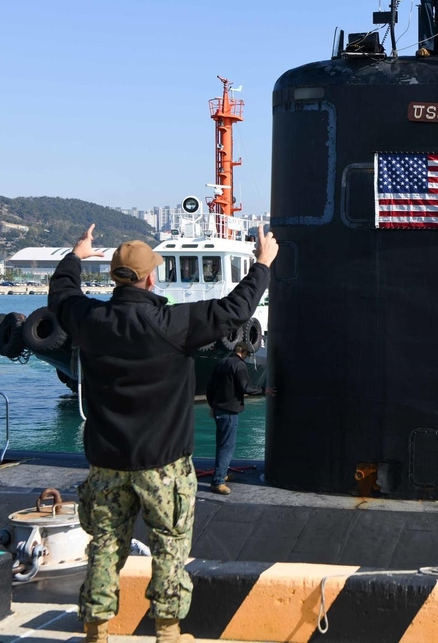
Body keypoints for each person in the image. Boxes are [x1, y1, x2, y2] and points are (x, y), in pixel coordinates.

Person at [48, 224, 277, 643]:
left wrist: (75, 256)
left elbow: (62, 296)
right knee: (169, 545)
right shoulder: (174, 324)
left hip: (107, 463)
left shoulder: (91, 321)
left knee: (104, 545)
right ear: (151, 277)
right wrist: (262, 263)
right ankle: (168, 632)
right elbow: (235, 309)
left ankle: (95, 629)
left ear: (115, 277)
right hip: (164, 465)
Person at [205, 341, 275, 495]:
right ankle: (218, 482)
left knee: (221, 444)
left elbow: (209, 386)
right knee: (227, 447)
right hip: (229, 411)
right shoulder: (239, 365)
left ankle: (221, 474)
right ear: (243, 352)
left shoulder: (222, 362)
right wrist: (265, 390)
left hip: (218, 409)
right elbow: (246, 387)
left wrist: (213, 405)